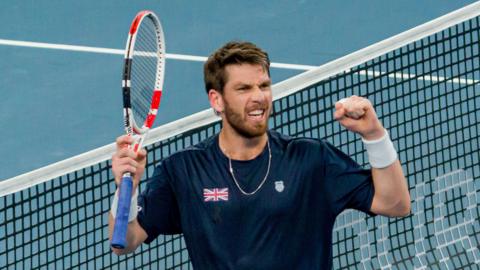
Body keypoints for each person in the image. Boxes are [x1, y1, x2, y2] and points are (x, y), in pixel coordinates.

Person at [109, 41, 411, 269]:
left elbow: (395, 204)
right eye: (243, 89)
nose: (259, 97)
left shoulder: (310, 159)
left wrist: (375, 136)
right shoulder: (184, 170)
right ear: (217, 100)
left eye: (264, 85)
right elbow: (126, 241)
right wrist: (128, 188)